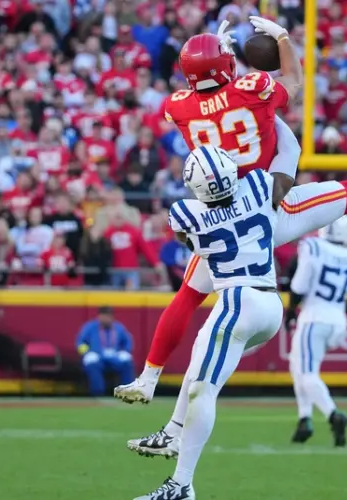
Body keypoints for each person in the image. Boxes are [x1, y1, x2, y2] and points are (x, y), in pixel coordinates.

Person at [115, 16, 347, 405]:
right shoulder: (252, 89)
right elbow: (293, 81)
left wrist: (216, 61)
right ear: (228, 66)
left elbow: (204, 95)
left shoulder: (178, 107)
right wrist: (283, 40)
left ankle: (149, 377)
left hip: (220, 220)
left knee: (187, 295)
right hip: (266, 207)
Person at [132, 145, 289, 500]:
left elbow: (186, 238)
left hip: (237, 300)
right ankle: (172, 430)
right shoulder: (261, 185)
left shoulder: (185, 213)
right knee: (201, 353)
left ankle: (181, 485)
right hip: (270, 302)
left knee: (203, 389)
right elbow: (287, 160)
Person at [285, 216, 347, 447]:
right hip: (337, 320)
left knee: (308, 373)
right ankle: (304, 419)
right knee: (297, 365)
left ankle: (333, 414)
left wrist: (291, 311)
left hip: (314, 317)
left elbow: (298, 286)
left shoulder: (313, 247)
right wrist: (337, 309)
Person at [76, 306, 135, 396]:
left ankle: (128, 392)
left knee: (126, 360)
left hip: (115, 357)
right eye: (104, 316)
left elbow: (128, 341)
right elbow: (80, 342)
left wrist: (125, 351)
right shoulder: (90, 327)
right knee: (91, 362)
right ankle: (98, 392)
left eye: (108, 316)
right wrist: (87, 353)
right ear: (99, 316)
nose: (106, 319)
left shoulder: (118, 328)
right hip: (97, 357)